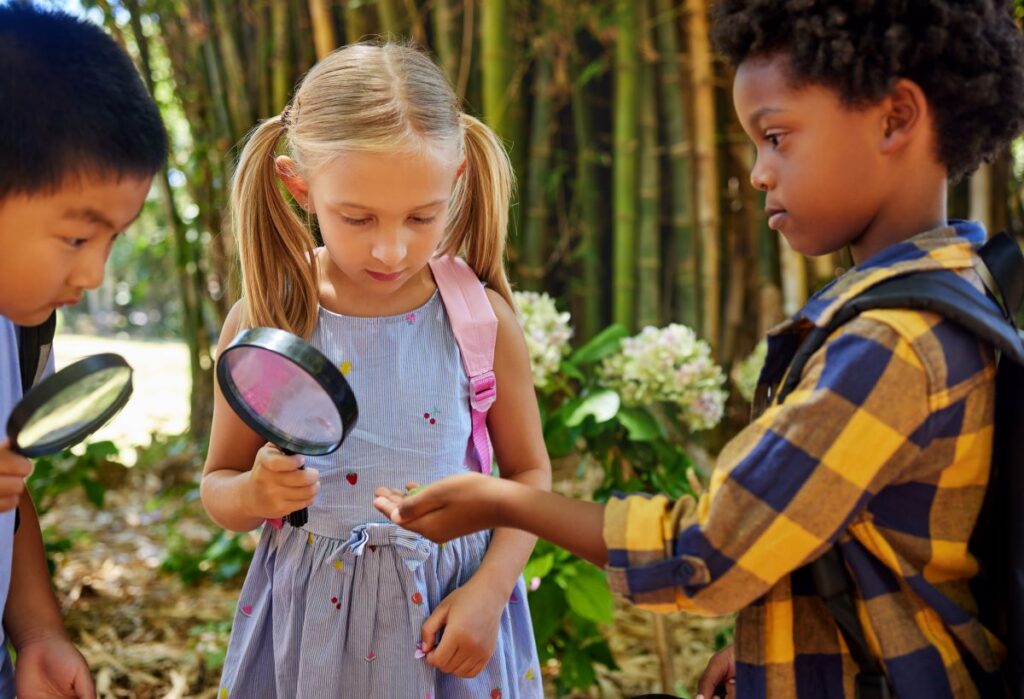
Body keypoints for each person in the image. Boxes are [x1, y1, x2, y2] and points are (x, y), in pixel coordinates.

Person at [373, 2, 1024, 697]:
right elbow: (838, 531)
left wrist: (507, 502)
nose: (758, 173)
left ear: (895, 117)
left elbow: (706, 552)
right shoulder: (961, 284)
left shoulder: (891, 346)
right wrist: (762, 642)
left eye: (777, 137)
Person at [201, 42, 550, 698]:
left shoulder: (479, 319)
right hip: (309, 640)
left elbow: (530, 472)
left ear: (456, 183)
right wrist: (253, 493)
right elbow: (219, 482)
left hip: (449, 624)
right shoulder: (273, 319)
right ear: (298, 186)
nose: (392, 248)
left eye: (422, 217)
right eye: (356, 218)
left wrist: (489, 589)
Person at [0, 5, 166, 697]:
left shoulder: (23, 327)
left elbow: (11, 492)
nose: (95, 274)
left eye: (113, 240)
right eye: (76, 238)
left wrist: (38, 632)